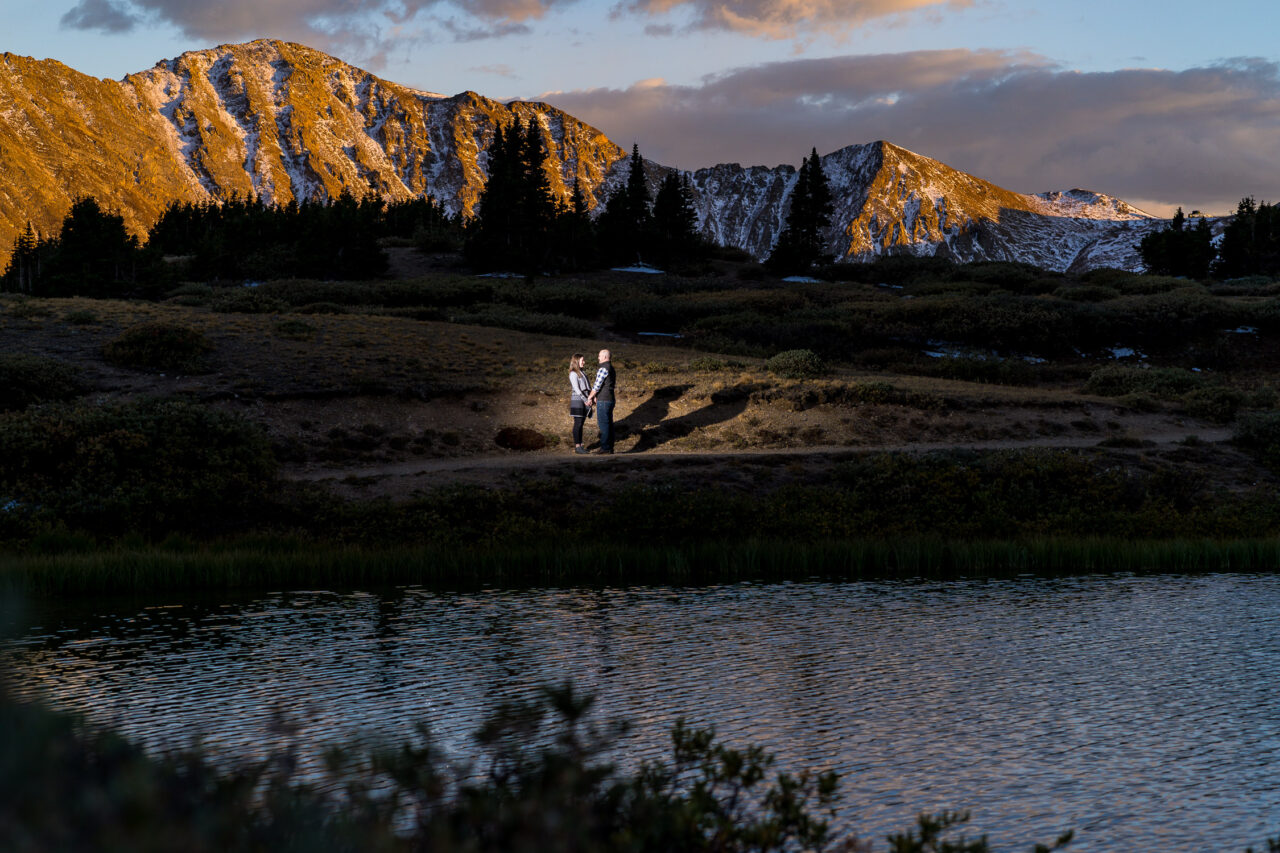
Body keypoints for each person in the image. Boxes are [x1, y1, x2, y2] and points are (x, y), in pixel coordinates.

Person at [584, 348, 616, 454]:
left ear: (605, 357)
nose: (598, 357)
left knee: (603, 425)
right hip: (610, 399)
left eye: (599, 356)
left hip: (604, 400)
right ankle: (609, 447)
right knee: (609, 424)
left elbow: (597, 385)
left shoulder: (603, 368)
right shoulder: (611, 368)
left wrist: (589, 397)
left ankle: (605, 448)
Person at [568, 352, 591, 454]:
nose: (584, 362)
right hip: (578, 400)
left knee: (581, 423)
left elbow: (587, 386)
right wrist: (586, 400)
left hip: (584, 399)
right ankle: (577, 446)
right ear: (577, 361)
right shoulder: (573, 373)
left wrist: (591, 397)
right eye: (582, 360)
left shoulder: (582, 372)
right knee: (578, 423)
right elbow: (577, 389)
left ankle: (580, 445)